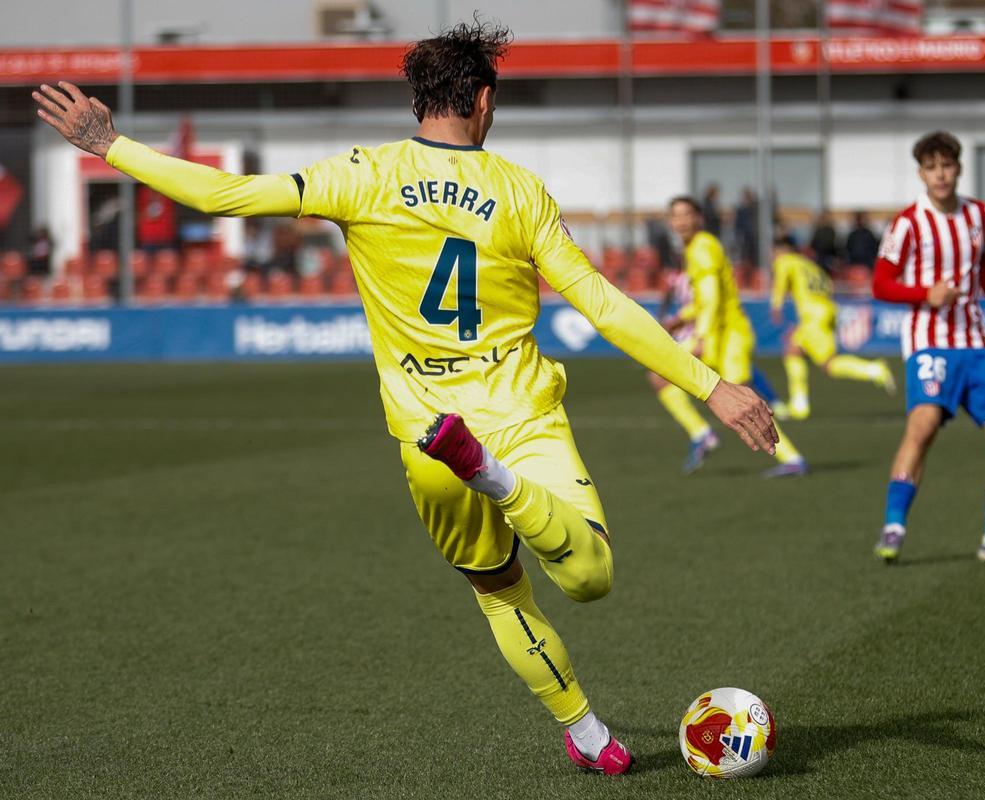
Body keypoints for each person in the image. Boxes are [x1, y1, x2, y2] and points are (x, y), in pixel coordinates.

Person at [33, 21, 779, 776]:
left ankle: (589, 736)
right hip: (522, 413)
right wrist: (711, 385)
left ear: (419, 99)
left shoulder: (363, 172)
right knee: (590, 579)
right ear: (482, 99)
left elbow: (229, 195)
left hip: (430, 435)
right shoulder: (519, 190)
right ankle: (499, 478)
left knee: (499, 594)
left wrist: (111, 146)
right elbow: (602, 303)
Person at [871, 130, 985, 565]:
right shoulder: (908, 222)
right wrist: (925, 293)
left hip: (975, 339)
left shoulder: (979, 214)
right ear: (921, 173)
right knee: (923, 424)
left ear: (958, 168)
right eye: (931, 167)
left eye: (947, 166)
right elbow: (880, 283)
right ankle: (893, 526)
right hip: (929, 342)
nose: (940, 175)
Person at [654, 195, 808, 478]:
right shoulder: (697, 248)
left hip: (727, 336)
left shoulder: (701, 248)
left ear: (699, 218)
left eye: (687, 214)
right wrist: (681, 318)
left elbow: (712, 300)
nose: (681, 220)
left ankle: (787, 456)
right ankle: (703, 434)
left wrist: (700, 337)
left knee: (742, 400)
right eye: (675, 215)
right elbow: (707, 299)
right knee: (661, 376)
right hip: (720, 333)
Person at [770, 235, 894, 419]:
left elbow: (780, 282)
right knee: (793, 350)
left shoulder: (785, 261)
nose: (773, 256)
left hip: (813, 316)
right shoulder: (811, 266)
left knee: (829, 364)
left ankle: (874, 370)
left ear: (782, 249)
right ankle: (799, 403)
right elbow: (828, 287)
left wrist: (776, 305)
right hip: (825, 311)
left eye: (774, 251)